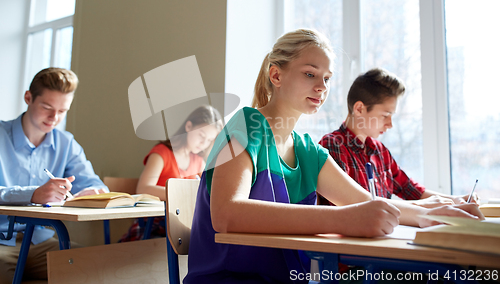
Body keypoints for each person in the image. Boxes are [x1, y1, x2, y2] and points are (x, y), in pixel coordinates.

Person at [184, 29, 483, 284]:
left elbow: (364, 202)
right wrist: (341, 220)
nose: (321, 86)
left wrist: (426, 212)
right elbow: (226, 215)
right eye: (310, 74)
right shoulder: (246, 126)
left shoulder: (307, 148)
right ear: (276, 74)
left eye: (327, 78)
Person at [0, 67, 108, 284]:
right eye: (47, 107)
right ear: (28, 98)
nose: (54, 118)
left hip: (42, 242)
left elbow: (93, 183)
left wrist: (93, 193)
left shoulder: (66, 143)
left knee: (100, 267)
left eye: (62, 111)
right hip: (2, 242)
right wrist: (34, 194)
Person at [318, 67, 478, 208]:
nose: (390, 124)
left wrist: (456, 200)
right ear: (359, 109)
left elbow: (410, 189)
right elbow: (353, 208)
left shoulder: (379, 151)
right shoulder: (332, 146)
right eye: (385, 115)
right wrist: (424, 207)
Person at [119, 105, 222, 242]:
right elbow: (143, 189)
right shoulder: (162, 153)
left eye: (209, 140)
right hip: (153, 223)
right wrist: (182, 194)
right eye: (201, 135)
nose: (204, 143)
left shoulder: (198, 161)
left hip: (180, 223)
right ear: (189, 127)